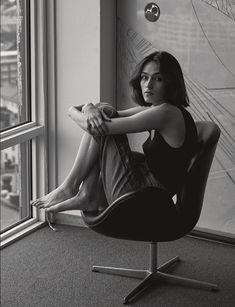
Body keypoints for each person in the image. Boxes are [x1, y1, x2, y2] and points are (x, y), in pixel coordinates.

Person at [32, 51, 198, 228]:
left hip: (145, 197)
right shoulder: (163, 110)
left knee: (103, 118)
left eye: (158, 79)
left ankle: (71, 188)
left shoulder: (166, 113)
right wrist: (89, 107)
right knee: (105, 111)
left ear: (171, 83)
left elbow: (97, 127)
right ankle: (85, 194)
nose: (148, 85)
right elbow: (108, 115)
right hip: (148, 188)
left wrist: (71, 111)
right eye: (144, 77)